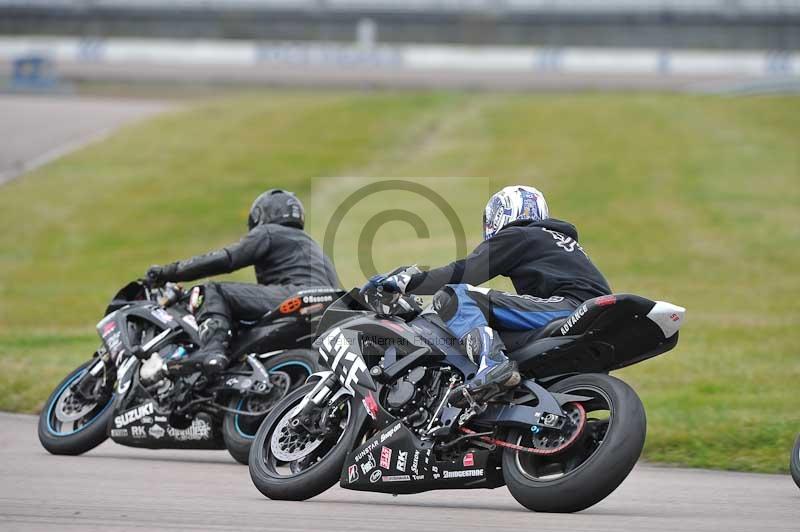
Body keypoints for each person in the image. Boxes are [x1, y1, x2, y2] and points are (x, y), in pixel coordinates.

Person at [365, 185, 611, 407]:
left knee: (454, 295)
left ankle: (492, 364)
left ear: (501, 214)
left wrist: (408, 281)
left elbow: (466, 271)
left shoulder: (520, 235)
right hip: (586, 314)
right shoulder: (556, 240)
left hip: (569, 307)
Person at [143, 189, 340, 380]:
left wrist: (168, 272)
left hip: (297, 296)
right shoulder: (312, 245)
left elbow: (226, 259)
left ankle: (212, 350)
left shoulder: (269, 232)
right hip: (332, 308)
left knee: (212, 291)